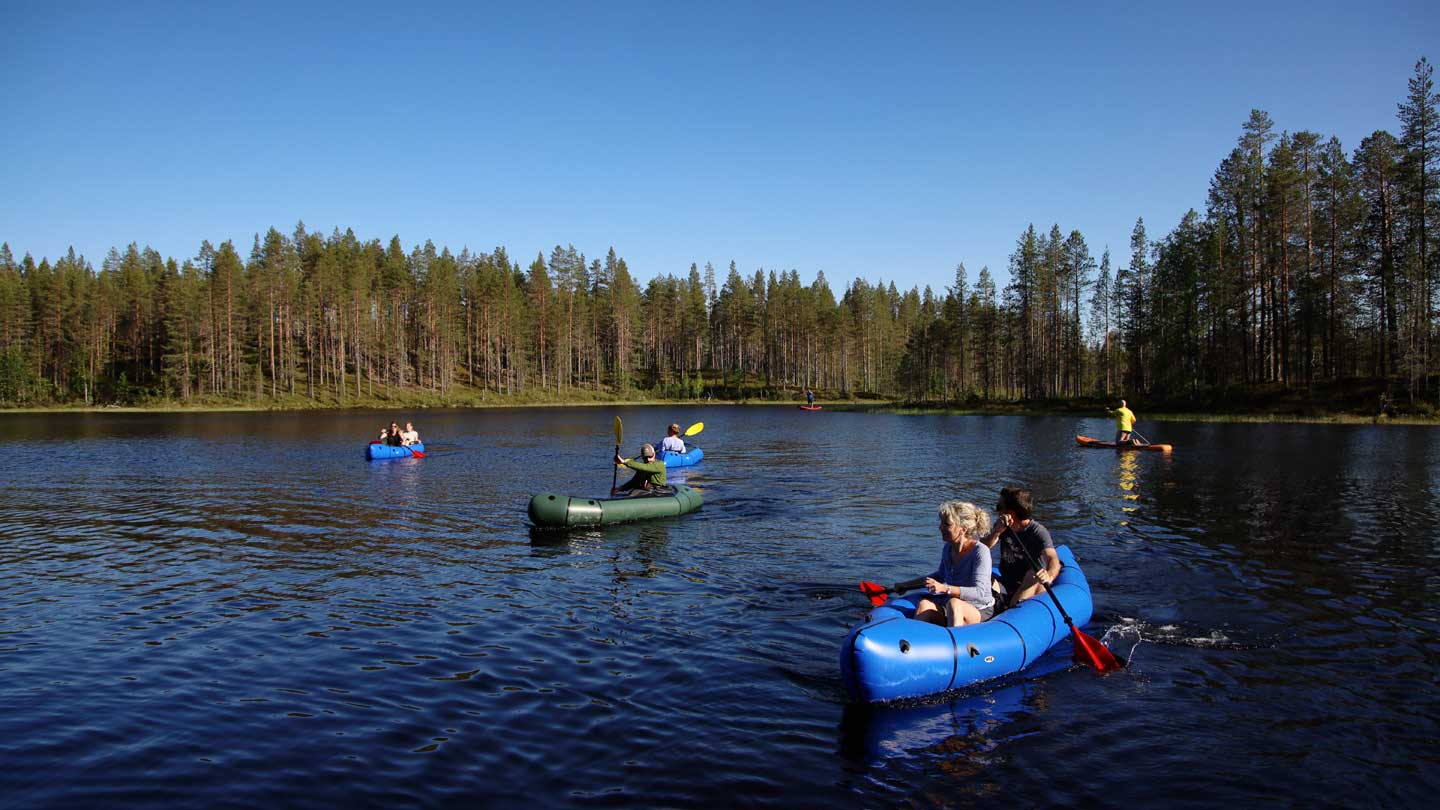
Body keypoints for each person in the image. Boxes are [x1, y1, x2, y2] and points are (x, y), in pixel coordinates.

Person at [892, 501, 995, 627]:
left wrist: (945, 588)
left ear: (963, 529)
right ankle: (912, 642)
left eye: (947, 524)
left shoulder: (980, 551)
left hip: (978, 609)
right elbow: (940, 575)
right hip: (951, 605)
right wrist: (906, 585)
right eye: (941, 523)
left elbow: (980, 593)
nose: (940, 527)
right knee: (925, 604)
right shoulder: (948, 548)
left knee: (954, 604)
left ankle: (955, 644)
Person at [981, 486, 1061, 610]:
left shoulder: (1037, 532)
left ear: (1010, 513)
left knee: (1031, 574)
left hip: (1028, 584)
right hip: (1006, 581)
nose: (997, 511)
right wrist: (996, 532)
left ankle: (1012, 611)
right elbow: (982, 549)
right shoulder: (1001, 526)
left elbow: (1053, 558)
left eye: (999, 507)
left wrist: (1049, 576)